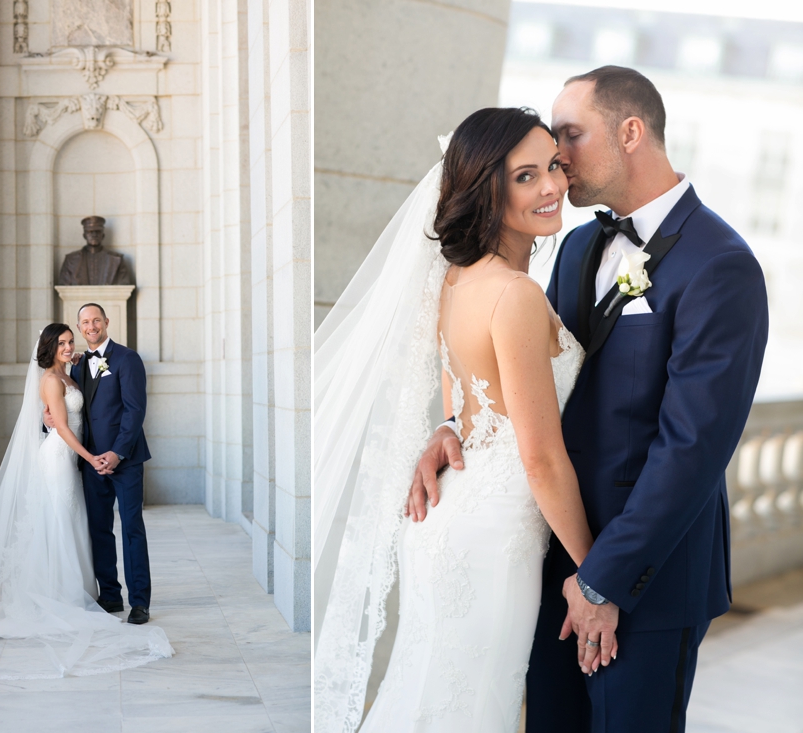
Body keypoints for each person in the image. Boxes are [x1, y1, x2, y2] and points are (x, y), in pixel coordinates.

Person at [406, 66, 768, 732]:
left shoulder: (721, 264)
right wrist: (458, 423)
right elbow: (528, 379)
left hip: (644, 582)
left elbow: (692, 449)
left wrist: (603, 578)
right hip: (547, 557)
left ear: (631, 132)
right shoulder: (574, 245)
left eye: (569, 135)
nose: (558, 159)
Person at [314, 107, 594, 732]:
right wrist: (592, 573)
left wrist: (445, 431)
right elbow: (541, 457)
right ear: (488, 190)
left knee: (431, 693)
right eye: (526, 176)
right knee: (468, 706)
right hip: (494, 538)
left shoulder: (458, 279)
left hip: (452, 520)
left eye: (554, 165)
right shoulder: (515, 294)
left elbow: (460, 400)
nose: (551, 186)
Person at [0, 324, 172, 680]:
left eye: (72, 341)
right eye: (63, 342)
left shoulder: (76, 371)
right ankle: (61, 594)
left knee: (74, 523)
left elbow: (90, 408)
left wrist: (82, 442)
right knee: (57, 520)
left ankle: (96, 594)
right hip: (63, 458)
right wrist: (88, 456)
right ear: (50, 347)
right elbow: (64, 428)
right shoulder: (52, 381)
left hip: (82, 460)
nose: (70, 346)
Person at [48, 303, 155, 625]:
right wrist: (48, 419)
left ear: (107, 322)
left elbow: (134, 410)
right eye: (85, 322)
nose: (91, 326)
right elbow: (71, 412)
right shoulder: (76, 365)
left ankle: (140, 602)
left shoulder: (127, 358)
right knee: (98, 530)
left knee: (132, 529)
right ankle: (110, 595)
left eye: (96, 320)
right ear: (80, 328)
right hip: (90, 462)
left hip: (126, 460)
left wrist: (117, 453)